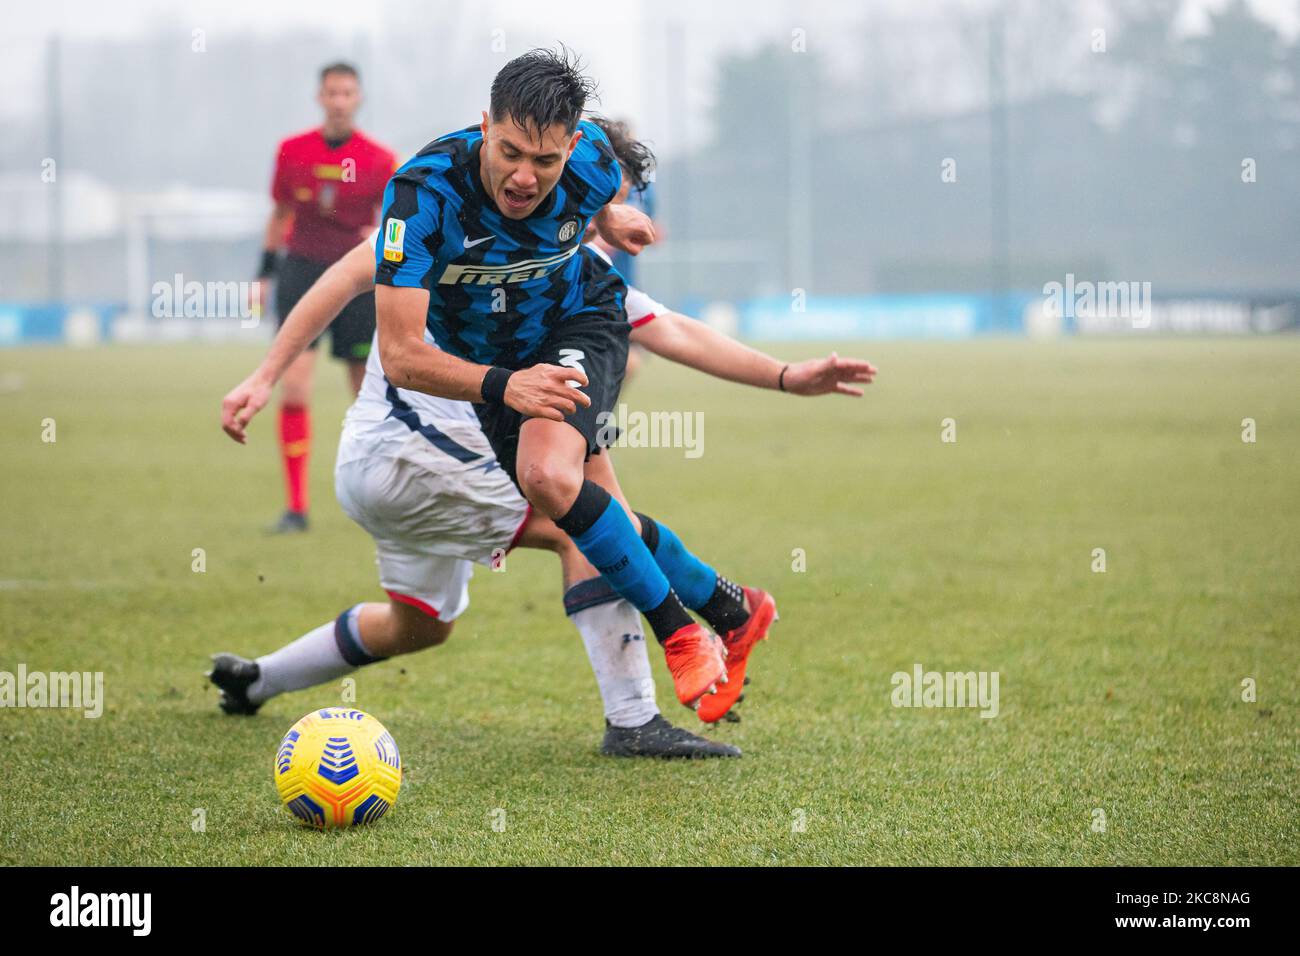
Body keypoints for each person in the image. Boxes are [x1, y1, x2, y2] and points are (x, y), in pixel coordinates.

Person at [216, 120, 876, 750]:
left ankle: (258, 679)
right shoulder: (439, 216)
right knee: (580, 521)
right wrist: (266, 375)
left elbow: (673, 330)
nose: (535, 181)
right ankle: (647, 707)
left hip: (388, 464)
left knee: (420, 625)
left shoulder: (569, 264)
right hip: (413, 450)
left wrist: (788, 376)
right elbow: (350, 282)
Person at [372, 48, 775, 711]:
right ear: (484, 125)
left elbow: (603, 175)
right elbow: (401, 355)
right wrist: (505, 384)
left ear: (569, 148)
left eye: (545, 161)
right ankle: (732, 611)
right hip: (502, 369)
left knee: (549, 478)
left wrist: (606, 215)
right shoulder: (422, 197)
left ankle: (680, 634)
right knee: (592, 513)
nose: (525, 176)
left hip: (581, 320)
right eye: (509, 153)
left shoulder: (590, 158)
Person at [255, 61, 396, 534]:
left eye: (347, 93)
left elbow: (396, 221)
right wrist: (264, 273)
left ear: (358, 99)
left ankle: (377, 499)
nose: (338, 100)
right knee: (294, 388)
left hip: (357, 280)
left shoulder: (380, 158)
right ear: (320, 97)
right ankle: (296, 507)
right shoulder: (291, 151)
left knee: (365, 392)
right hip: (302, 274)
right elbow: (278, 214)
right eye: (331, 92)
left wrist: (380, 236)